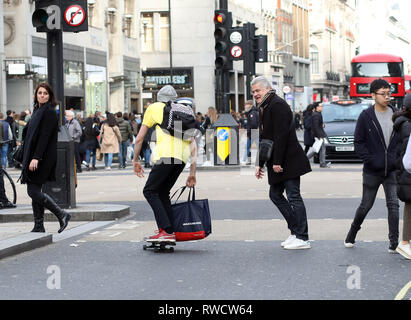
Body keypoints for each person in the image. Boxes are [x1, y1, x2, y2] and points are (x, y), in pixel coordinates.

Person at [253, 76, 312, 250]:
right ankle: (296, 232)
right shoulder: (265, 105)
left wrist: (277, 161)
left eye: (258, 90)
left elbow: (282, 135)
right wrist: (260, 163)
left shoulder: (277, 105)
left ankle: (302, 237)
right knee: (276, 195)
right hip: (279, 160)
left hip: (288, 160)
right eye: (254, 91)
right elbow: (265, 139)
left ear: (267, 89)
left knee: (293, 196)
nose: (256, 94)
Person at [133, 85, 197, 243]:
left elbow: (140, 137)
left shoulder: (154, 108)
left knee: (150, 191)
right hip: (181, 158)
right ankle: (169, 229)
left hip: (166, 156)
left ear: (158, 98)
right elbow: (193, 142)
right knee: (162, 192)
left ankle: (166, 231)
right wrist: (192, 173)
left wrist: (135, 160)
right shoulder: (182, 111)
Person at [344, 79, 400, 253]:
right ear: (373, 95)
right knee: (366, 205)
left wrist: (397, 160)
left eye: (389, 93)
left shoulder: (397, 115)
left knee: (393, 204)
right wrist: (370, 160)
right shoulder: (366, 116)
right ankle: (352, 233)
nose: (387, 96)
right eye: (383, 93)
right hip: (372, 170)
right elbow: (359, 142)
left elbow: (402, 141)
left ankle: (394, 243)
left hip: (392, 170)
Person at [21, 83, 71, 233]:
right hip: (34, 156)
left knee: (33, 192)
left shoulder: (48, 112)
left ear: (50, 96)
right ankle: (38, 225)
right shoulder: (38, 110)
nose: (42, 95)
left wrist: (36, 157)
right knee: (35, 190)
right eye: (40, 93)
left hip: (41, 158)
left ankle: (61, 214)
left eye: (45, 93)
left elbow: (44, 137)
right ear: (36, 95)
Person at [392, 93, 411, 259]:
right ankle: (404, 243)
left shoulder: (403, 123)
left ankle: (405, 242)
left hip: (404, 171)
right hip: (408, 172)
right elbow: (408, 155)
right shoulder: (407, 126)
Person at [306, 102, 331, 168]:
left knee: (319, 149)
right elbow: (315, 126)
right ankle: (303, 160)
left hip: (319, 134)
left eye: (322, 106)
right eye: (320, 106)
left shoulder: (318, 114)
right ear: (316, 107)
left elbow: (319, 125)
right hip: (318, 135)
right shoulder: (316, 115)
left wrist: (322, 125)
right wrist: (319, 135)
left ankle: (322, 163)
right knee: (316, 150)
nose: (322, 107)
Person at [243, 100, 259, 165]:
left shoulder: (253, 113)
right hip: (253, 133)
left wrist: (249, 132)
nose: (245, 106)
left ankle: (247, 160)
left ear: (251, 105)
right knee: (248, 147)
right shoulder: (252, 112)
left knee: (249, 147)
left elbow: (254, 124)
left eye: (246, 104)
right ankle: (248, 160)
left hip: (253, 133)